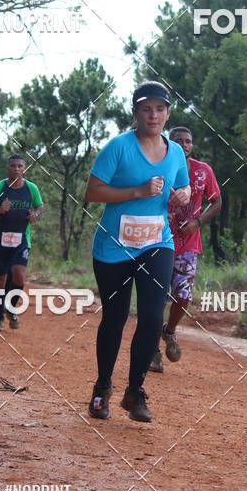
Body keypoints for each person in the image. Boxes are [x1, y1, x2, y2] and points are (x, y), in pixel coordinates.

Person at [84, 81, 191, 424]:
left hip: (156, 243)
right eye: (147, 109)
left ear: (168, 112)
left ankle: (135, 391)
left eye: (160, 109)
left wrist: (182, 196)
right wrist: (137, 190)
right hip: (114, 248)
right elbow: (92, 191)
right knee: (114, 319)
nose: (154, 115)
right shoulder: (118, 147)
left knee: (150, 317)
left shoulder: (175, 152)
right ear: (135, 112)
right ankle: (102, 387)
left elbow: (183, 185)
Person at [149, 126, 222, 372]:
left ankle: (169, 331)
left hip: (188, 245)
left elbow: (217, 201)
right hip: (157, 242)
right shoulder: (158, 166)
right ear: (169, 143)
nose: (184, 144)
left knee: (183, 296)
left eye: (188, 140)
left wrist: (198, 222)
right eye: (178, 140)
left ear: (193, 145)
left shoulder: (203, 171)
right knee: (157, 299)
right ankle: (153, 352)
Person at [0, 154, 43, 330]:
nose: (16, 169)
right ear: (7, 168)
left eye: (20, 166)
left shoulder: (31, 188)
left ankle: (10, 308)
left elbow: (39, 206)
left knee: (19, 275)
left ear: (24, 169)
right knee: (0, 280)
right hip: (0, 241)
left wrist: (35, 215)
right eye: (13, 166)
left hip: (22, 240)